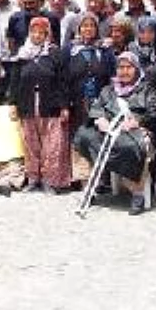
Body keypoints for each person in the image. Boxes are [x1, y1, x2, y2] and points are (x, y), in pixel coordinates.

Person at [75, 52, 156, 215]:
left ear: (136, 69)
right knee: (82, 136)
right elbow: (97, 108)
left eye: (128, 67)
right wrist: (99, 119)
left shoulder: (147, 89)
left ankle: (137, 192)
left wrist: (138, 121)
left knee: (133, 146)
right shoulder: (108, 90)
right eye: (120, 67)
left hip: (134, 131)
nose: (124, 71)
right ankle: (90, 185)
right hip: (109, 130)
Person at [7, 16, 72, 193]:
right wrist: (12, 104)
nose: (37, 35)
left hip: (50, 105)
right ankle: (33, 178)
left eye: (41, 32)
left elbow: (63, 82)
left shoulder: (54, 54)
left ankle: (50, 180)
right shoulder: (22, 55)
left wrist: (65, 106)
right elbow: (14, 82)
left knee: (52, 145)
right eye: (33, 31)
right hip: (27, 103)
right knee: (30, 143)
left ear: (47, 34)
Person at [67, 13, 117, 186]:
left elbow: (112, 76)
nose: (88, 29)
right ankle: (82, 179)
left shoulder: (104, 50)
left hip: (99, 103)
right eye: (84, 26)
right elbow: (63, 78)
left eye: (91, 26)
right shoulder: (70, 50)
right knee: (78, 137)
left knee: (98, 137)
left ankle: (101, 178)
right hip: (77, 101)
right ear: (78, 29)